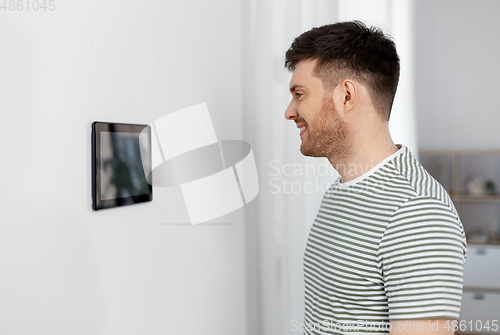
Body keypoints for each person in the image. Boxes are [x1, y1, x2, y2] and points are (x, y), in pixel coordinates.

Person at [284, 21, 467, 335]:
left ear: (346, 96)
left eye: (299, 94)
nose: (290, 111)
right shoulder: (340, 192)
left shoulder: (417, 213)